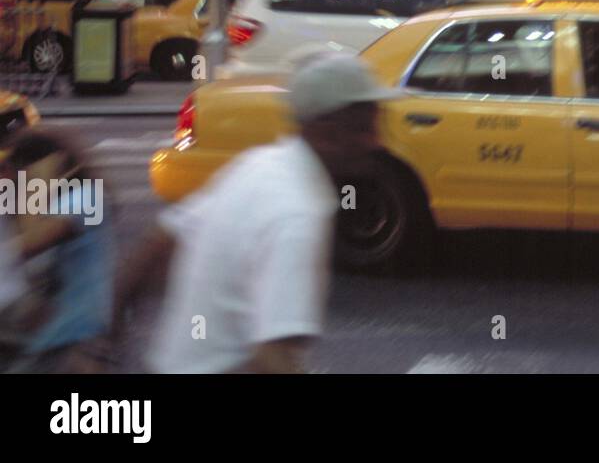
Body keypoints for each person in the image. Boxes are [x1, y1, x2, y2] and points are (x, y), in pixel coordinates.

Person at [111, 54, 397, 373]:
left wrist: (101, 339)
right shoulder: (298, 212)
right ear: (327, 132)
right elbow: (272, 360)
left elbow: (160, 241)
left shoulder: (259, 165)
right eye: (365, 128)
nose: (376, 141)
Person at [1, 128, 115, 372]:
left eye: (25, 172)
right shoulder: (42, 202)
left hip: (75, 339)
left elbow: (29, 244)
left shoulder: (89, 199)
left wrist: (37, 184)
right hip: (40, 338)